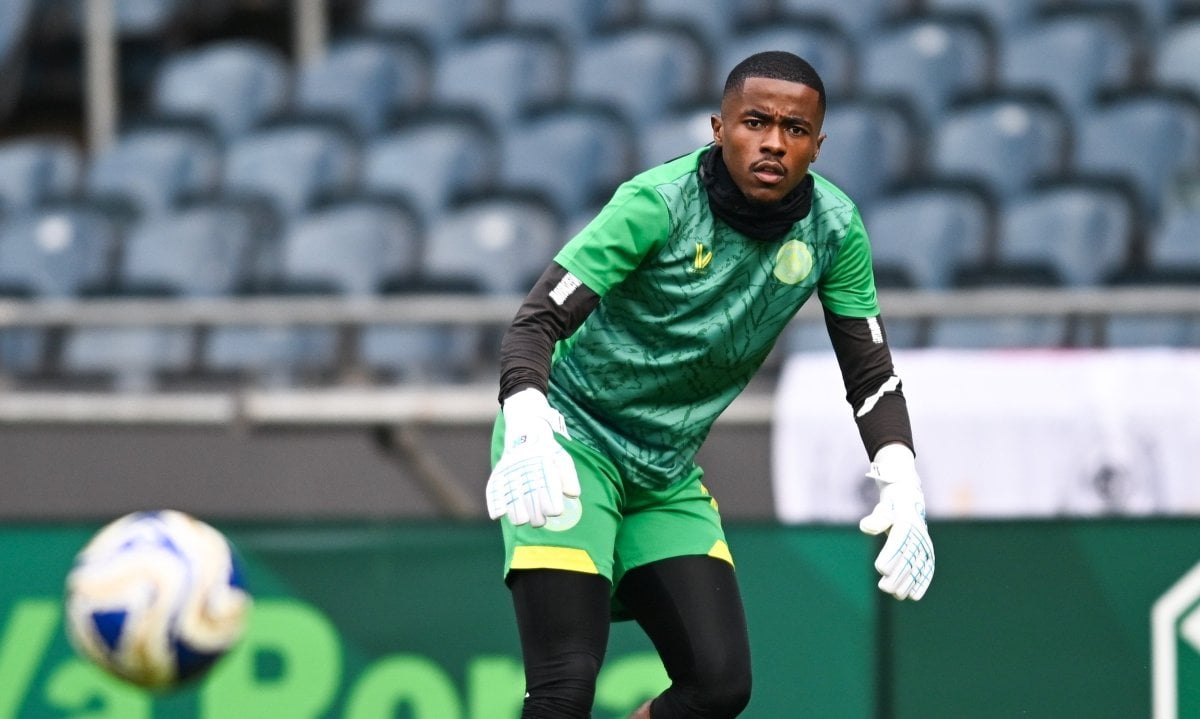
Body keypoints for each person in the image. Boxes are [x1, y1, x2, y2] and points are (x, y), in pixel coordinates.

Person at [485, 50, 935, 719]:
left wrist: (901, 478)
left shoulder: (835, 229)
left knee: (718, 685)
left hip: (663, 471)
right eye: (756, 121)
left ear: (818, 143)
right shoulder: (655, 203)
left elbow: (869, 371)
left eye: (795, 129)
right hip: (569, 441)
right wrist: (526, 417)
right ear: (720, 128)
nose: (774, 142)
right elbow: (537, 321)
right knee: (564, 688)